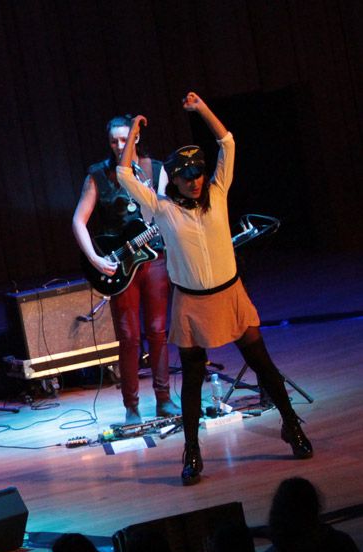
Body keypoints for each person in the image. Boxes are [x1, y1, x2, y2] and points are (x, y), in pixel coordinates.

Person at [116, 93, 312, 485]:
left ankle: (291, 424)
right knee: (191, 379)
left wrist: (201, 109)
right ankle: (192, 452)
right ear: (175, 180)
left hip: (230, 295)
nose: (195, 182)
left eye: (198, 175)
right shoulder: (162, 208)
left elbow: (227, 143)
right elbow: (123, 175)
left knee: (263, 366)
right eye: (187, 177)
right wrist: (135, 132)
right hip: (191, 303)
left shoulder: (218, 193)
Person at [72, 115, 179, 424]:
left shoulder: (154, 170)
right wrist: (94, 258)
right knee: (129, 337)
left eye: (125, 139)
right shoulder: (98, 175)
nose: (120, 146)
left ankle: (164, 399)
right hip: (119, 264)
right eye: (114, 141)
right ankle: (131, 406)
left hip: (154, 259)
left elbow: (164, 213)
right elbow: (79, 220)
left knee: (158, 331)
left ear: (135, 139)